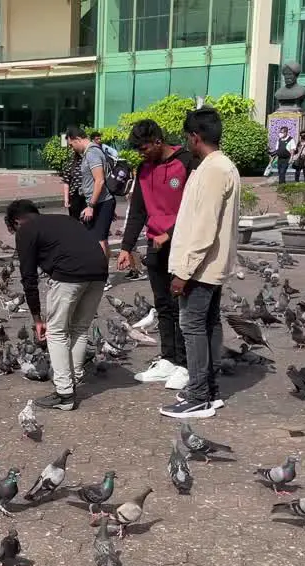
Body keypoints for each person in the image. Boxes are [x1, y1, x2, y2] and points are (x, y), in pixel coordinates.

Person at [160, 107, 240, 421]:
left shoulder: (213, 170)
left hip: (201, 267)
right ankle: (208, 390)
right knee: (207, 325)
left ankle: (197, 397)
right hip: (209, 265)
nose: (187, 143)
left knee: (192, 327)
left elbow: (204, 227)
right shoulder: (220, 166)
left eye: (187, 137)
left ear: (195, 137)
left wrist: (184, 272)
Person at [7, 199, 108, 411]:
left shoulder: (25, 230)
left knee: (56, 332)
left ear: (17, 221)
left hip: (69, 273)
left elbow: (28, 277)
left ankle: (64, 394)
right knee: (79, 328)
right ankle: (73, 379)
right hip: (99, 270)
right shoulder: (63, 220)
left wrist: (36, 318)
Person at [118, 119, 193, 391]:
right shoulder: (144, 169)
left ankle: (186, 365)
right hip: (155, 244)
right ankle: (169, 359)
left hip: (181, 242)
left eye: (144, 147)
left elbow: (195, 207)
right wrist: (127, 246)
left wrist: (171, 233)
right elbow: (137, 210)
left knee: (181, 305)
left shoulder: (186, 162)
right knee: (162, 304)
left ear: (158, 141)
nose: (141, 153)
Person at [65, 127, 117, 255]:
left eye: (71, 145)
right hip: (99, 201)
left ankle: (100, 272)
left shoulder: (92, 153)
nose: (72, 149)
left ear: (77, 139)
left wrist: (91, 206)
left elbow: (99, 181)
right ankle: (100, 270)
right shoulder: (91, 152)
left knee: (99, 240)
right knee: (97, 238)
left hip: (101, 202)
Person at [60, 147, 85, 220]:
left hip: (88, 194)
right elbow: (66, 182)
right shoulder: (70, 164)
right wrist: (66, 199)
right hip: (74, 194)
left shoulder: (89, 162)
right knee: (74, 219)